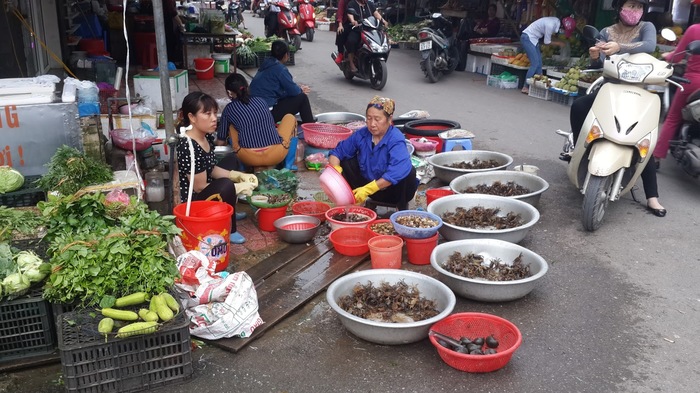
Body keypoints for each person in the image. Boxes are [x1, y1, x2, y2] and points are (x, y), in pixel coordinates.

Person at [566, 0, 666, 217]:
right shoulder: (605, 32)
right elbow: (600, 66)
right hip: (610, 88)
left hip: (638, 90)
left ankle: (652, 197)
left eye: (638, 7)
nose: (634, 11)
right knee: (579, 106)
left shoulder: (645, 28)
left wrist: (619, 47)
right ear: (619, 8)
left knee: (642, 135)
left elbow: (649, 46)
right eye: (630, 6)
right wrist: (595, 57)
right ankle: (578, 147)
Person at [176, 92, 259, 244]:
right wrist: (236, 187)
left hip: (205, 186)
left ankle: (229, 210)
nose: (214, 118)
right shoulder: (187, 146)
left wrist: (238, 175)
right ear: (192, 117)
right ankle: (231, 228)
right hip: (193, 201)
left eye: (214, 113)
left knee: (231, 161)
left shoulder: (206, 136)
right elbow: (199, 187)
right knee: (226, 185)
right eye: (207, 114)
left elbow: (211, 168)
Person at [328, 96, 417, 210]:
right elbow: (337, 152)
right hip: (366, 187)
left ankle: (401, 209)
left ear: (389, 119)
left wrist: (368, 189)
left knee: (408, 171)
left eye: (377, 119)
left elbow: (397, 171)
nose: (372, 124)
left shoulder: (396, 139)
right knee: (346, 162)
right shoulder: (362, 134)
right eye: (369, 118)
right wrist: (336, 171)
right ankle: (354, 200)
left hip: (393, 192)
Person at [216, 73, 297, 169]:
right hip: (276, 155)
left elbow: (220, 142)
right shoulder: (261, 101)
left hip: (249, 158)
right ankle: (288, 165)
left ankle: (243, 168)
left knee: (232, 126)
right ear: (247, 87)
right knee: (290, 117)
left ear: (229, 92)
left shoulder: (229, 109)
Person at [654, 24, 700, 164]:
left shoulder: (695, 29)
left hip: (693, 81)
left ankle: (656, 157)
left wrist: (668, 56)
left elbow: (677, 57)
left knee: (673, 117)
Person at [249, 40, 315, 124]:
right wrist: (301, 90)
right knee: (302, 98)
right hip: (266, 113)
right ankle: (310, 126)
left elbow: (278, 91)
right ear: (286, 55)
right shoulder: (279, 69)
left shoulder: (266, 64)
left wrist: (298, 89)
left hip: (253, 111)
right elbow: (295, 92)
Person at [520, 16, 574, 94]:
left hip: (534, 39)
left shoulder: (555, 21)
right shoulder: (550, 25)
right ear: (562, 27)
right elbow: (547, 42)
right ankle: (525, 87)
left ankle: (539, 84)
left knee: (539, 64)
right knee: (535, 64)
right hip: (528, 38)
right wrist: (559, 43)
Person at [345, 0, 389, 73]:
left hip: (370, 29)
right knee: (352, 41)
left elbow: (376, 13)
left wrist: (383, 21)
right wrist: (353, 21)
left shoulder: (369, 4)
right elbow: (350, 14)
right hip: (357, 29)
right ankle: (351, 63)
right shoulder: (352, 3)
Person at [334, 0, 350, 65]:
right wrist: (340, 25)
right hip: (345, 22)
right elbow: (340, 13)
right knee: (341, 32)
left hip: (358, 22)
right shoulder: (343, 1)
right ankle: (340, 54)